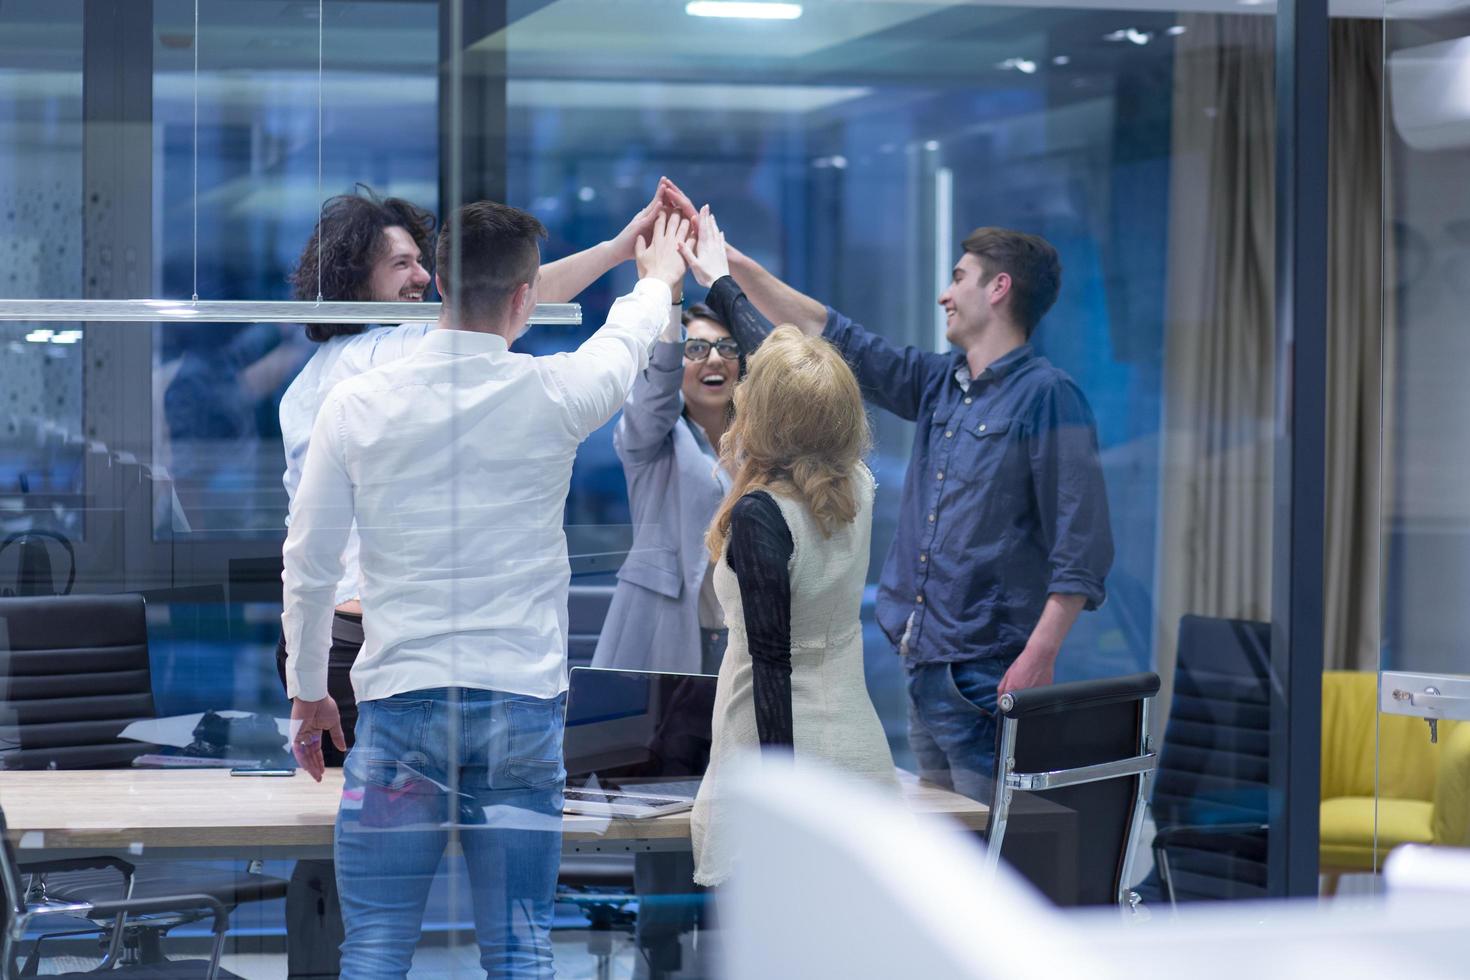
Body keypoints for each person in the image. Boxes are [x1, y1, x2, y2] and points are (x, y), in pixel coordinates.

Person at [272, 185, 685, 980]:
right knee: (522, 952)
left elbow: (311, 562)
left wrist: (307, 689)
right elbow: (627, 337)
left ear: (442, 288)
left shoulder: (356, 402)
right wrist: (657, 274)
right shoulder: (555, 394)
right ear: (525, 298)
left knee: (377, 949)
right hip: (521, 715)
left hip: (398, 710)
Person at [676, 195, 1113, 803]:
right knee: (937, 859)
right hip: (925, 667)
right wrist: (728, 268)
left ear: (999, 289)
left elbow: (1082, 546)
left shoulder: (1049, 398)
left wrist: (1039, 657)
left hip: (991, 672)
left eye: (959, 278)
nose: (945, 293)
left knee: (991, 861)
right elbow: (830, 334)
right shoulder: (940, 383)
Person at [690, 325, 899, 888]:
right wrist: (723, 283)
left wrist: (779, 800)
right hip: (856, 748)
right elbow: (808, 384)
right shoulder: (858, 484)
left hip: (780, 758)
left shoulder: (763, 515)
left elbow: (770, 667)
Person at [591, 299, 743, 676]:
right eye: (696, 349)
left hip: (743, 640)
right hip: (664, 633)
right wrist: (670, 301)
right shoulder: (653, 438)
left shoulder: (758, 447)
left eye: (727, 348)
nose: (714, 359)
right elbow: (655, 395)